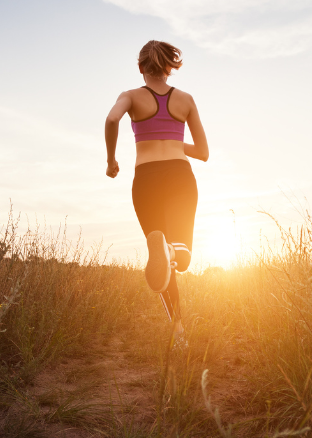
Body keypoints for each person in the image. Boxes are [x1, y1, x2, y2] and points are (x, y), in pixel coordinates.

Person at [104, 40, 209, 347]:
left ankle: (179, 333)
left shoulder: (131, 96)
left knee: (161, 260)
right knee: (180, 256)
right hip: (179, 175)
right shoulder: (186, 100)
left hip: (146, 179)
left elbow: (112, 119)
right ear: (168, 67)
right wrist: (174, 141)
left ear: (140, 67)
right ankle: (172, 252)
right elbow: (203, 152)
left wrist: (111, 161)